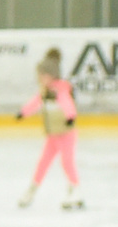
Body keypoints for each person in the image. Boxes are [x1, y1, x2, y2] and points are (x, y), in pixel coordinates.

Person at [17, 48, 83, 210]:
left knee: (67, 162)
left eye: (42, 75)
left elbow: (67, 103)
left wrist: (70, 116)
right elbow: (35, 102)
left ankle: (75, 190)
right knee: (43, 163)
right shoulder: (45, 91)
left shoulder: (60, 89)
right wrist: (23, 112)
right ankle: (32, 190)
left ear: (51, 75)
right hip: (53, 135)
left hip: (66, 134)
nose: (40, 78)